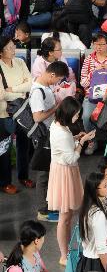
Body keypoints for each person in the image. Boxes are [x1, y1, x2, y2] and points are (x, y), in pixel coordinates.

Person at [47, 97, 90, 264]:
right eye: (76, 114)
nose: (77, 117)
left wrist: (76, 138)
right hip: (64, 173)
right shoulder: (61, 133)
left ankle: (65, 252)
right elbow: (71, 158)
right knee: (64, 216)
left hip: (63, 171)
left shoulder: (59, 125)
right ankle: (63, 255)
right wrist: (82, 142)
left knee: (67, 215)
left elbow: (66, 148)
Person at [30, 60, 68, 222]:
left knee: (50, 173)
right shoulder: (38, 91)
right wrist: (56, 108)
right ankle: (43, 211)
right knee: (43, 175)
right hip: (44, 136)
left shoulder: (45, 87)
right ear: (52, 75)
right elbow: (37, 117)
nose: (57, 82)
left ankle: (49, 206)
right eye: (58, 79)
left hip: (50, 135)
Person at [0, 34, 32, 194]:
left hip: (22, 110)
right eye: (10, 47)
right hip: (4, 113)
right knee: (4, 149)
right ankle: (5, 182)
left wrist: (14, 90)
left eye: (14, 46)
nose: (14, 49)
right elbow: (1, 94)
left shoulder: (20, 62)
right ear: (1, 51)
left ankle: (23, 176)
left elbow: (30, 83)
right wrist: (20, 93)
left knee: (23, 145)